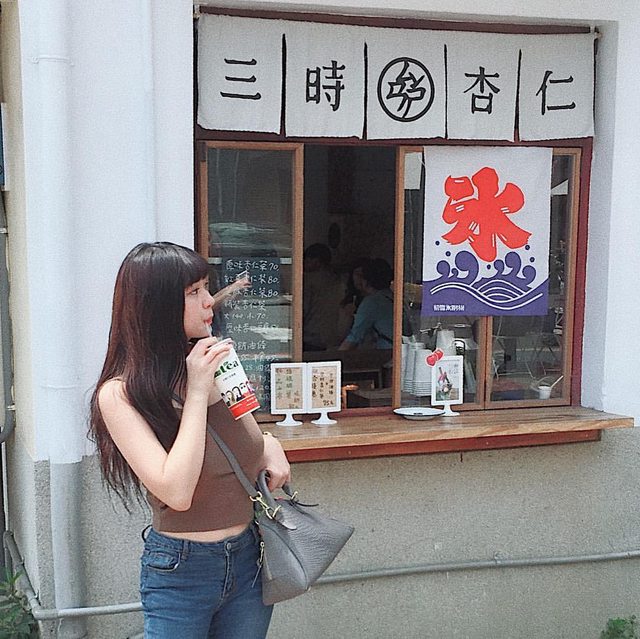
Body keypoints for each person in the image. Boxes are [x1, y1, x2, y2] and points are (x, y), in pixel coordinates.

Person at [88, 242, 290, 639]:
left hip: (249, 556)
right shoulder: (120, 394)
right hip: (181, 569)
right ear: (157, 307)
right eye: (193, 292)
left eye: (206, 288)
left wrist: (270, 443)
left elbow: (247, 440)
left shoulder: (218, 364)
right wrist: (197, 392)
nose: (209, 301)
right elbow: (176, 492)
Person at [339, 258, 394, 350]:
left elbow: (354, 337)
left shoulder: (372, 302)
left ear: (366, 280)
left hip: (386, 352)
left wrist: (335, 357)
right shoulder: (394, 296)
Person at [302, 243, 344, 351]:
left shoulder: (309, 281)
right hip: (333, 336)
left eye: (307, 260)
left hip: (311, 335)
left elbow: (303, 309)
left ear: (316, 261)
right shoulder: (338, 279)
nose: (303, 264)